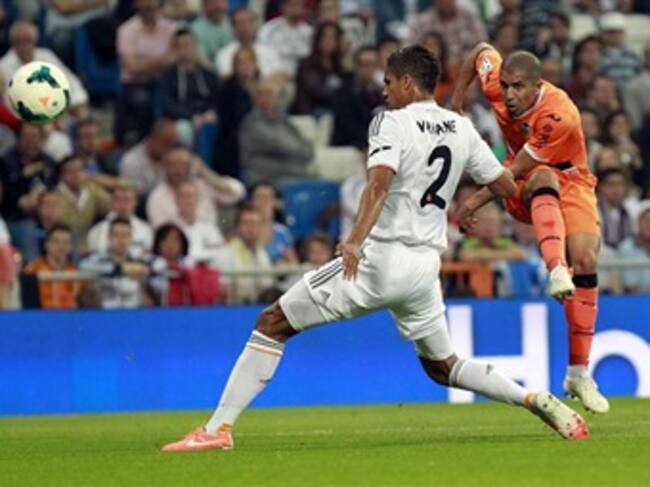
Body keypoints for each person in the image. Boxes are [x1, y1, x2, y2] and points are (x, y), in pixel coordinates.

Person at [162, 45, 588, 452]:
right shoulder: (461, 128)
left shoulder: (390, 122)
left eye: (388, 82)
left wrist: (354, 239)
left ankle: (216, 430)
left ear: (407, 82)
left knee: (272, 322)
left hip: (381, 260)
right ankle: (533, 398)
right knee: (443, 366)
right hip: (425, 269)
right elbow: (506, 185)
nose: (384, 90)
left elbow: (379, 184)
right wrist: (510, 197)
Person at [451, 42, 609, 413]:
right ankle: (555, 267)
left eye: (518, 87)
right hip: (526, 186)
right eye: (506, 85)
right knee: (542, 178)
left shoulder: (558, 114)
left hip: (572, 181)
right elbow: (480, 50)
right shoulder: (496, 82)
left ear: (538, 86)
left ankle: (578, 373)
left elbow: (518, 166)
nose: (508, 94)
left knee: (586, 260)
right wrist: (456, 103)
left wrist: (472, 202)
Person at [115, 0, 177, 144]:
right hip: (135, 83)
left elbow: (178, 57)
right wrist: (163, 61)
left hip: (166, 81)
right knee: (142, 102)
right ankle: (147, 142)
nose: (149, 5)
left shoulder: (171, 27)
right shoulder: (126, 30)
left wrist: (146, 64)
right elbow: (133, 67)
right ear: (136, 4)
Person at [0, 20, 89, 119]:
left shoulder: (47, 56)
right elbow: (10, 104)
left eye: (27, 40)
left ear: (35, 41)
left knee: (82, 113)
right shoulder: (3, 67)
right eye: (18, 42)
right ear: (12, 43)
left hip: (56, 108)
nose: (23, 46)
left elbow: (71, 81)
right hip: (29, 118)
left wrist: (78, 102)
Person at [146, 145, 245, 228]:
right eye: (173, 164)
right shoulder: (157, 196)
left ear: (190, 166)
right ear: (165, 166)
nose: (178, 170)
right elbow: (162, 231)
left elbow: (237, 193)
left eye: (183, 164)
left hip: (209, 240)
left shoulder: (204, 185)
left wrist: (205, 172)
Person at [239, 79, 314, 187]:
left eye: (270, 94)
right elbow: (282, 145)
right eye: (261, 94)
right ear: (255, 98)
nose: (266, 98)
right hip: (265, 177)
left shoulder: (284, 120)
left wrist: (302, 149)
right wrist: (299, 149)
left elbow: (307, 147)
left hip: (293, 172)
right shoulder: (251, 123)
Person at [80, 217, 165, 309]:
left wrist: (144, 268)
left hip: (134, 312)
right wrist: (120, 268)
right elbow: (84, 265)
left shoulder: (138, 258)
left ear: (131, 237)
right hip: (105, 312)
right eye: (116, 235)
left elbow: (161, 263)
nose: (121, 240)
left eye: (125, 235)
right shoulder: (99, 258)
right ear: (109, 237)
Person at [159, 28, 220, 148]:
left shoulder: (207, 73)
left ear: (195, 46)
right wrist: (190, 116)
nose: (185, 50)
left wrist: (211, 112)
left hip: (206, 113)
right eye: (180, 46)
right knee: (183, 130)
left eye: (188, 45)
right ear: (175, 50)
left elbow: (218, 97)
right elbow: (167, 104)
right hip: (182, 117)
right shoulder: (169, 76)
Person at [55, 155, 112, 254]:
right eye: (71, 171)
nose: (76, 175)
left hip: (87, 247)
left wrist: (94, 179)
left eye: (79, 170)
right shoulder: (55, 196)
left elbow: (113, 204)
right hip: (61, 247)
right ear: (62, 176)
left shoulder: (91, 190)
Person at [330, 46, 383, 149]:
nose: (368, 69)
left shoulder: (380, 92)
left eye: (372, 64)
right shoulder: (343, 92)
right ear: (356, 66)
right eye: (363, 64)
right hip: (349, 146)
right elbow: (348, 127)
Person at [291, 21, 347, 115]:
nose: (328, 41)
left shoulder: (339, 66)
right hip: (311, 111)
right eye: (325, 36)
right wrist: (340, 93)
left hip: (334, 109)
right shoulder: (306, 63)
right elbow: (317, 91)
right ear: (318, 39)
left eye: (333, 37)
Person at [215, 7, 284, 80]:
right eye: (241, 23)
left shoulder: (269, 50)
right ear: (233, 27)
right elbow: (226, 78)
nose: (246, 26)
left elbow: (281, 75)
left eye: (250, 22)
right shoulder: (224, 54)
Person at [87, 185, 153, 258]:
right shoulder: (97, 231)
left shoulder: (146, 230)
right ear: (111, 202)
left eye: (127, 200)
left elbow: (147, 255)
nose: (122, 205)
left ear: (135, 202)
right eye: (118, 200)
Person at [24, 223, 80, 309]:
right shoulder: (33, 270)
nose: (61, 246)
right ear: (46, 245)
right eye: (56, 241)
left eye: (66, 242)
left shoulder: (76, 274)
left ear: (71, 247)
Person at [119, 118, 178, 196]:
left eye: (171, 144)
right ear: (153, 138)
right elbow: (133, 195)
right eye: (166, 143)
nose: (169, 148)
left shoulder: (171, 158)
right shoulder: (130, 162)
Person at [257, 0, 313, 77]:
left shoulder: (309, 32)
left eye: (299, 5)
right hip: (275, 76)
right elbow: (262, 55)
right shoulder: (269, 30)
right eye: (293, 5)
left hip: (303, 78)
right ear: (283, 7)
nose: (297, 9)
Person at [249, 181, 297, 265]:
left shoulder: (283, 232)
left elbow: (293, 264)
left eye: (267, 197)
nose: (263, 201)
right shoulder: (244, 229)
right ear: (251, 201)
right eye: (259, 197)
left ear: (275, 202)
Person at [618, 204, 650, 294]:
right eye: (646, 221)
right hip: (635, 298)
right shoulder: (626, 247)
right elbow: (631, 285)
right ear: (638, 223)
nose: (649, 225)